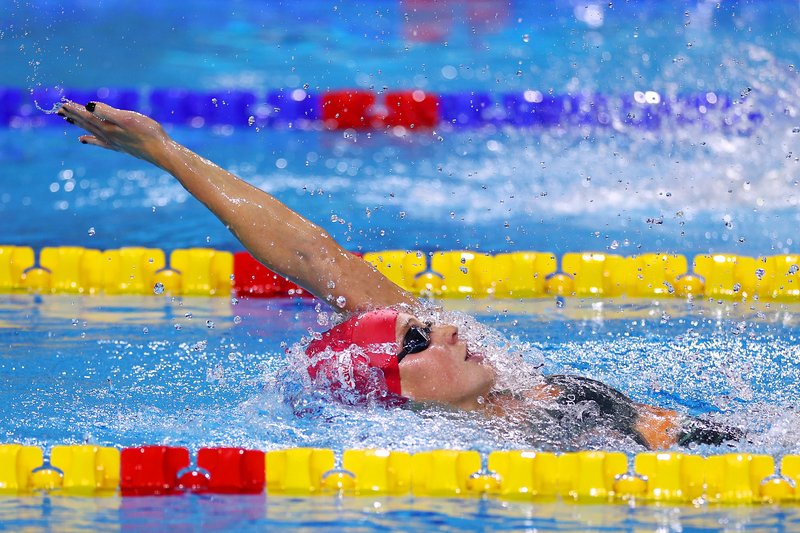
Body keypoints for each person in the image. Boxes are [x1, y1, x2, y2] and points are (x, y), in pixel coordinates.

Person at [58, 101, 743, 450]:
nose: (443, 325)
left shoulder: (521, 387)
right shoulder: (479, 452)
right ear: (392, 395)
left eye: (424, 326)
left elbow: (313, 257)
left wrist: (167, 152)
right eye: (416, 341)